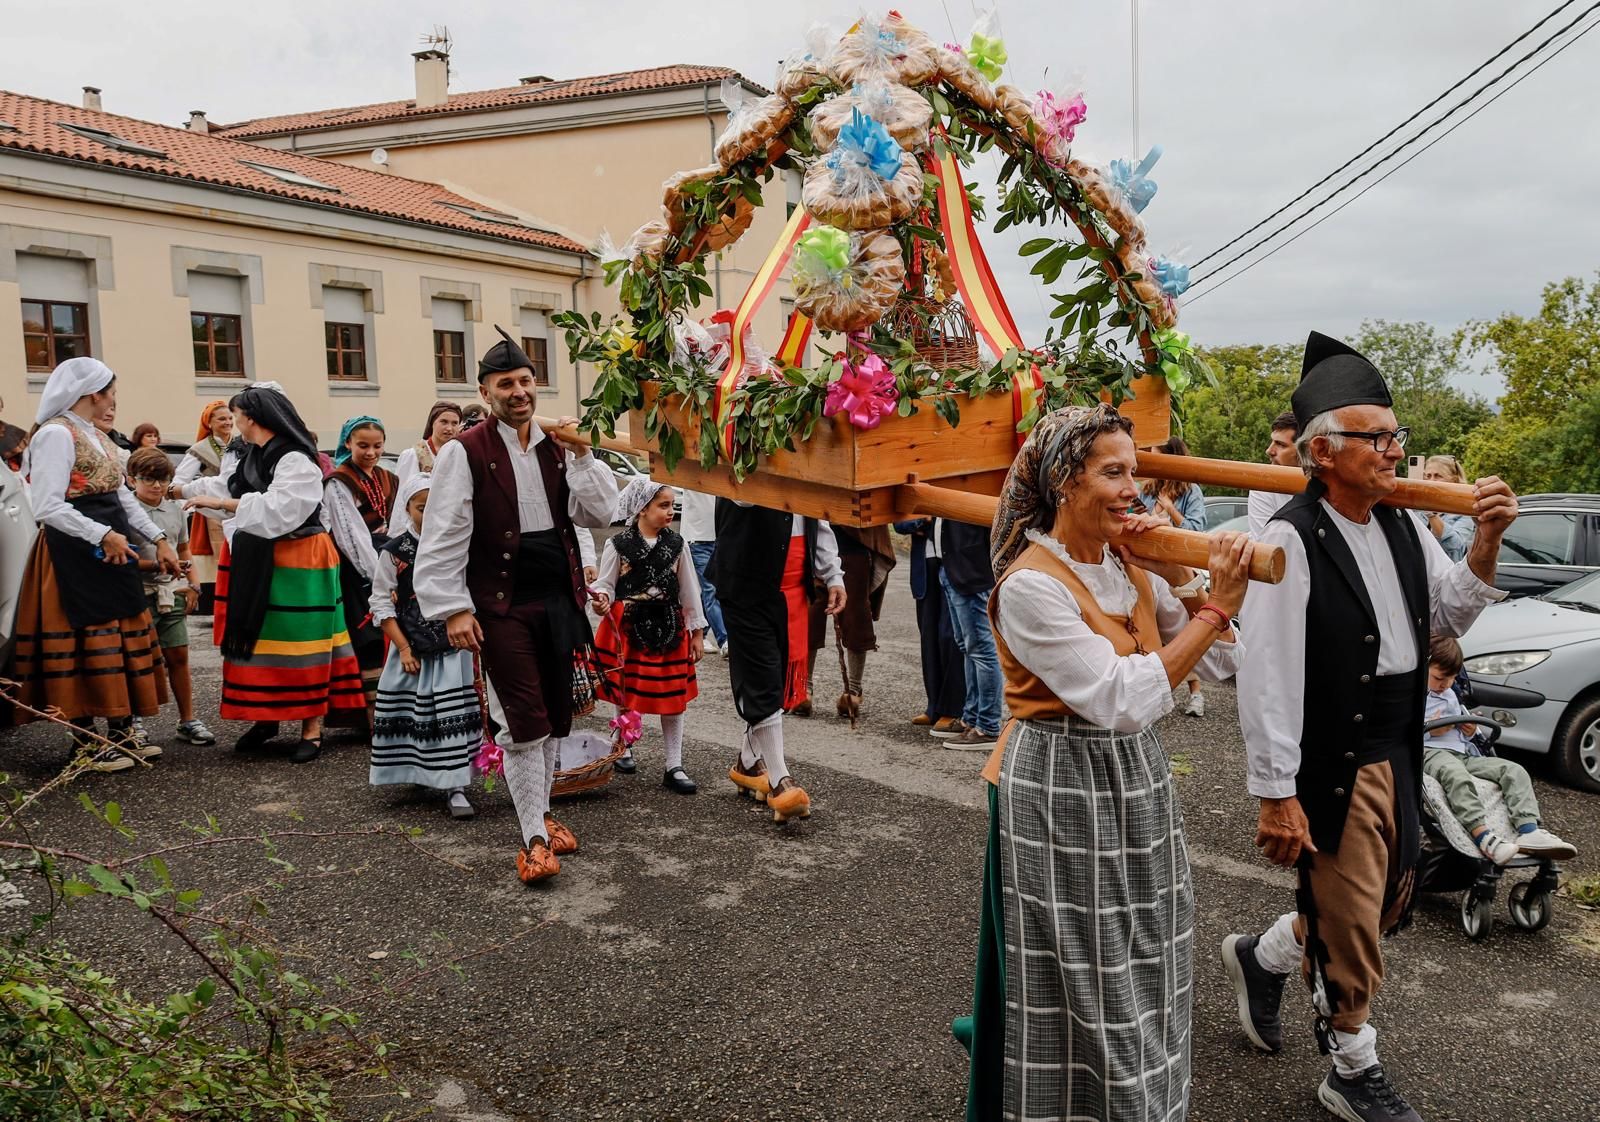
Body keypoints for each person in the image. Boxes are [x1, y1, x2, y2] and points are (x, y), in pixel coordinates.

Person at [1221, 332, 1517, 1122]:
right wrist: (1275, 792)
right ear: (1323, 451)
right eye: (1377, 438)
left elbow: (1447, 612)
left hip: (1399, 738)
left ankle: (1268, 954)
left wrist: (1485, 540)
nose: (1395, 451)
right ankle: (1352, 1065)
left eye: (1397, 436)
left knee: (1390, 898)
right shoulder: (1289, 536)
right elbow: (1269, 673)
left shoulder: (1400, 523)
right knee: (1353, 918)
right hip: (1333, 749)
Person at [963, 403, 1251, 1122]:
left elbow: (1222, 666)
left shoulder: (1130, 565)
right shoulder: (1032, 585)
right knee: (1087, 974)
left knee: (1151, 952)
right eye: (1114, 472)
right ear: (1066, 482)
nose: (1134, 489)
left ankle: (1151, 1104)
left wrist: (1182, 579)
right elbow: (1121, 698)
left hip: (1137, 778)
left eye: (1138, 472)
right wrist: (1219, 608)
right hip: (1061, 780)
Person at [413, 327, 619, 884]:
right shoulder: (465, 450)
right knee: (523, 721)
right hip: (500, 604)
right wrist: (453, 607)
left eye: (527, 381)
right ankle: (531, 838)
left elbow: (601, 513)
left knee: (553, 716)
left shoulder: (559, 446)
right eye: (506, 383)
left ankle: (543, 815)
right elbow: (443, 532)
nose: (519, 391)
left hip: (557, 600)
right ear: (485, 391)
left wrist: (582, 454)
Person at [175, 382, 366, 763]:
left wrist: (222, 502)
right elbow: (226, 487)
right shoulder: (251, 454)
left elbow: (282, 509)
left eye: (239, 415)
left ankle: (311, 728)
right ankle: (266, 719)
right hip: (256, 557)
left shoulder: (295, 458)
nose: (234, 421)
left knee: (303, 645)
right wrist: (179, 490)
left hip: (300, 558)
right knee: (257, 640)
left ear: (253, 417)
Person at [10, 358, 180, 768]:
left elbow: (122, 498)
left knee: (118, 636)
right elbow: (47, 505)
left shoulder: (98, 437)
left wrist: (158, 539)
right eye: (109, 396)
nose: (113, 405)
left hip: (112, 547)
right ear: (90, 394)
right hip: (72, 552)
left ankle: (121, 735)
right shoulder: (55, 434)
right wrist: (102, 534)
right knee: (84, 642)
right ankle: (84, 744)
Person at [707, 499, 845, 822]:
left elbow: (817, 520)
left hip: (792, 588)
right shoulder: (745, 449)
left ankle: (747, 761)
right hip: (746, 582)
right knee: (765, 679)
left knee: (776, 677)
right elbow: (743, 493)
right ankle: (779, 781)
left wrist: (833, 575)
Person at [369, 472, 483, 818]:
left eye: (436, 505)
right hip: (413, 646)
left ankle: (456, 784)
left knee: (449, 712)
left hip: (453, 647)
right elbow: (380, 600)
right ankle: (420, 772)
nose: (429, 513)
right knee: (415, 711)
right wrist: (402, 647)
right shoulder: (395, 551)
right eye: (421, 506)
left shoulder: (456, 543)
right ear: (407, 507)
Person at [590, 477, 706, 795]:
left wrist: (696, 632)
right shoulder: (618, 545)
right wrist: (600, 598)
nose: (670, 512)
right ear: (642, 509)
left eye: (671, 506)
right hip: (627, 625)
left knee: (673, 699)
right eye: (663, 505)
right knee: (625, 688)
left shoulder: (677, 545)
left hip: (669, 625)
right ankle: (624, 746)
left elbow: (689, 591)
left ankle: (674, 764)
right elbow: (606, 583)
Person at [1422, 636, 1574, 863]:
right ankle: (1482, 834)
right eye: (1439, 678)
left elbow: (1469, 732)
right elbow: (1397, 731)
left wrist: (1471, 729)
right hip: (1430, 751)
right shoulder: (1412, 697)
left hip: (1464, 752)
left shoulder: (1451, 693)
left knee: (1514, 771)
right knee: (1456, 774)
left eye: (1453, 678)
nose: (1446, 684)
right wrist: (1431, 731)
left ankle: (1528, 830)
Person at [127, 447, 215, 747]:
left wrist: (194, 585)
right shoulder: (127, 512)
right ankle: (133, 721)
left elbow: (183, 550)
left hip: (172, 592)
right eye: (148, 479)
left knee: (178, 656)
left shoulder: (175, 509)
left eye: (163, 479)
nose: (156, 486)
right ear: (131, 480)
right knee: (139, 660)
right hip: (137, 595)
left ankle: (187, 720)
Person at [324, 416, 398, 723]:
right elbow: (350, 536)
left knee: (388, 639)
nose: (371, 452)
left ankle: (392, 711)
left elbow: (399, 523)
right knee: (366, 639)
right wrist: (377, 577)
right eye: (363, 445)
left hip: (387, 560)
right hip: (357, 571)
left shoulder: (387, 476)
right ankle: (371, 718)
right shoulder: (339, 482)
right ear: (347, 444)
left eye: (377, 446)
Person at [1136, 435, 1209, 717]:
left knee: (1180, 630)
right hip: (1146, 567)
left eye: (1155, 452)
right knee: (1147, 628)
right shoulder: (1148, 487)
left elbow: (1195, 529)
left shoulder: (1191, 490)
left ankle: (1196, 694)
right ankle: (1153, 694)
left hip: (1175, 568)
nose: (1150, 457)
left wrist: (1169, 509)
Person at [803, 524, 894, 720]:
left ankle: (850, 690)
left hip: (851, 544)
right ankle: (806, 687)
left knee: (854, 616)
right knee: (811, 615)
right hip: (819, 544)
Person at [894, 517, 965, 735]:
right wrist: (924, 520)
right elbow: (899, 523)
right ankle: (933, 706)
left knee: (950, 637)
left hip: (954, 563)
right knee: (929, 637)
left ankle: (952, 709)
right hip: (925, 566)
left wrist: (929, 521)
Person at [938, 519, 1002, 750]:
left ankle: (988, 726)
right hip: (953, 568)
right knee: (967, 648)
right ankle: (971, 717)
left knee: (983, 651)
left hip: (972, 572)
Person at [174, 401, 235, 613]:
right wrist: (188, 507)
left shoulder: (239, 444)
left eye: (229, 418)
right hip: (212, 513)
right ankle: (222, 604)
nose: (227, 422)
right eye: (221, 419)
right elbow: (180, 480)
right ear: (208, 423)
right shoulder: (200, 450)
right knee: (220, 560)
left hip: (236, 507)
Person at [678, 487, 728, 655]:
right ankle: (725, 640)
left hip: (717, 537)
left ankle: (702, 633)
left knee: (703, 590)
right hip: (698, 540)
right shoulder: (691, 475)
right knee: (710, 589)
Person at [1247, 410, 1301, 537]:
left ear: (1307, 450)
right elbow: (1267, 546)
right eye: (1272, 442)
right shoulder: (1263, 487)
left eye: (1281, 445)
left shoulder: (1330, 484)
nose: (1269, 451)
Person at [1420, 455, 1473, 562]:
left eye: (1438, 476)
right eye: (1428, 476)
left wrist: (1432, 515)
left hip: (1446, 575)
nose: (1431, 481)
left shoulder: (1464, 511)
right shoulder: (1416, 509)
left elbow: (1456, 547)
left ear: (1453, 480)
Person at [396, 400, 462, 485]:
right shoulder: (413, 455)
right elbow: (401, 492)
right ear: (432, 423)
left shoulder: (459, 454)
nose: (449, 428)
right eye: (444, 422)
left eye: (454, 423)